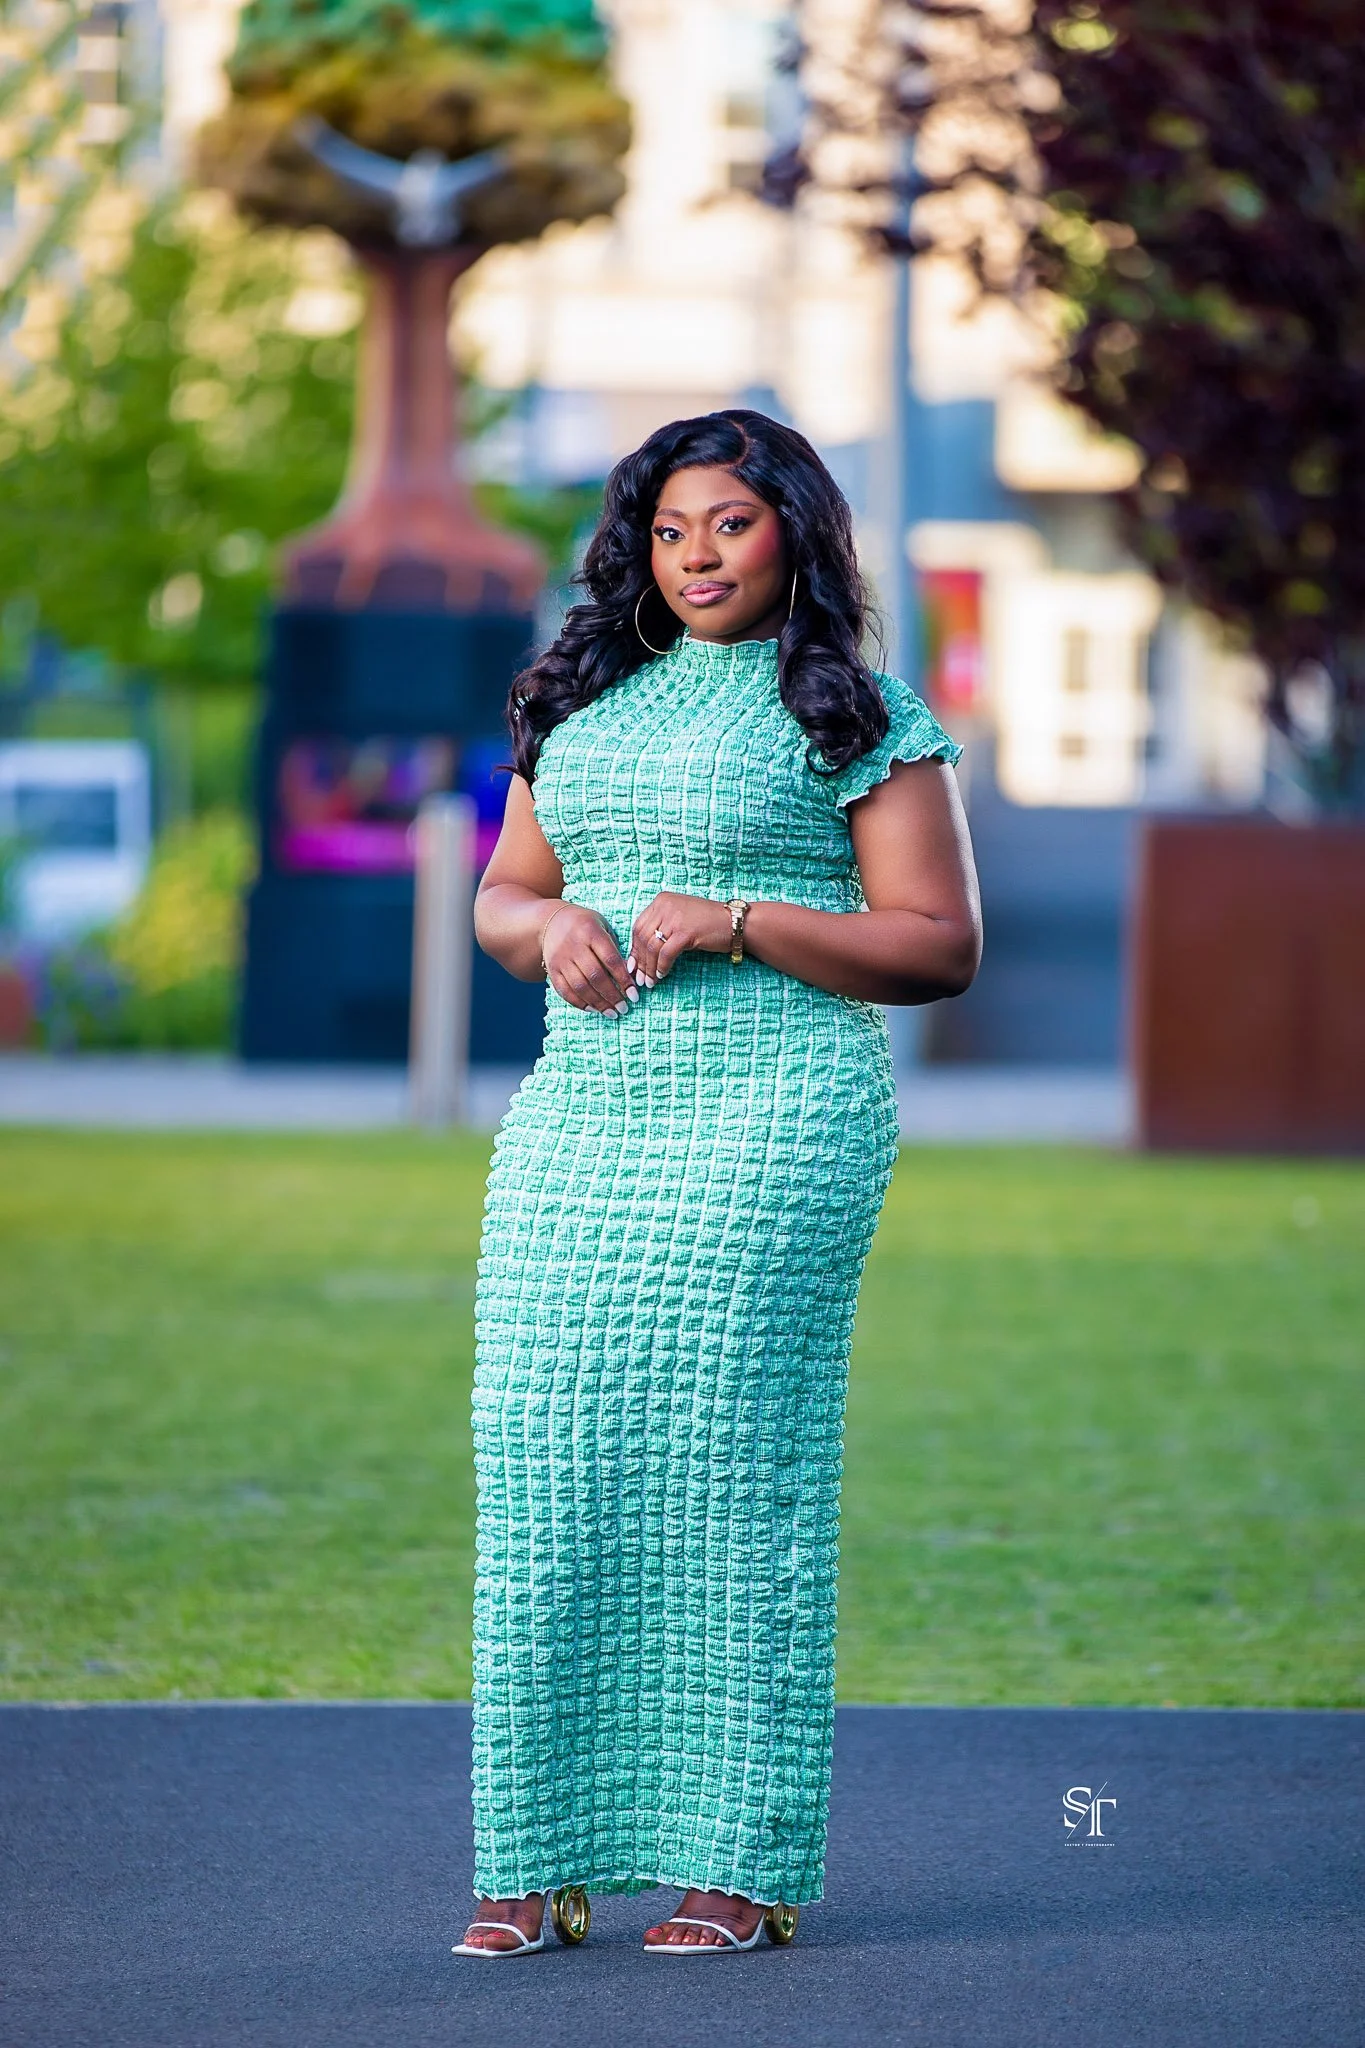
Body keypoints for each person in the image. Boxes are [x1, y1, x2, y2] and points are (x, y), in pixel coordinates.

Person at [457, 409, 981, 1958]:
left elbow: (938, 946)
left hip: (773, 1122)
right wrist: (536, 932)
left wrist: (742, 917)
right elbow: (505, 888)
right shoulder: (577, 702)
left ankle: (737, 1864)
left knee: (727, 1471)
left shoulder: (861, 715)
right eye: (672, 530)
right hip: (584, 1120)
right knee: (541, 1465)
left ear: (795, 536)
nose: (698, 556)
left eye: (731, 527)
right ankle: (533, 1849)